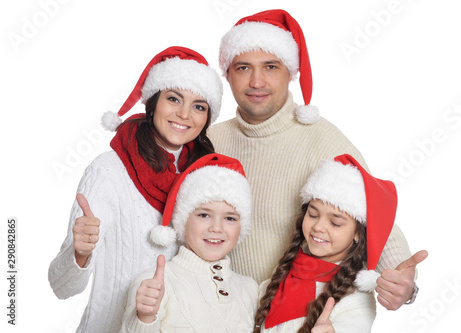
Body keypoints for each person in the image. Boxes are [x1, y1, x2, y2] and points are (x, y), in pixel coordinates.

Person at [208, 9, 422, 309]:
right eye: (243, 67)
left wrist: (403, 284)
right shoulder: (211, 141)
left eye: (271, 66)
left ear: (291, 72)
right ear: (227, 73)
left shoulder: (321, 140)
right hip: (226, 311)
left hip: (299, 315)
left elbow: (374, 214)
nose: (257, 81)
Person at [48, 46, 223, 333]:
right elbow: (61, 287)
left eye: (199, 106)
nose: (184, 114)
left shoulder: (206, 177)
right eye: (174, 98)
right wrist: (79, 253)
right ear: (153, 102)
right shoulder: (108, 171)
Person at [254, 154, 428, 332]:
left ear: (358, 234)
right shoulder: (283, 271)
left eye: (335, 223)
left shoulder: (356, 301)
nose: (318, 227)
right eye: (313, 214)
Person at [120, 153, 258, 332]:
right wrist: (144, 318)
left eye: (230, 218)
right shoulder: (156, 284)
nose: (217, 228)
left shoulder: (250, 289)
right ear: (183, 220)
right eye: (204, 215)